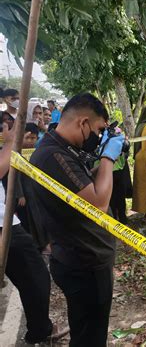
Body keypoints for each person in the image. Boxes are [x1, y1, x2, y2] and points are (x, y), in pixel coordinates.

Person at [29, 93, 125, 346]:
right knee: (89, 339)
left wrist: (103, 158)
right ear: (83, 123)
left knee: (88, 333)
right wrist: (107, 158)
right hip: (84, 264)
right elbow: (99, 205)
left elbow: (80, 185)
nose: (99, 136)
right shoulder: (54, 156)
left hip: (82, 258)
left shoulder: (61, 149)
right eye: (99, 130)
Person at [0, 121, 58, 344]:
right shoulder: (9, 145)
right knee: (36, 277)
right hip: (5, 227)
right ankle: (40, 330)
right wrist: (10, 143)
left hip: (8, 222)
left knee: (34, 277)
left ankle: (41, 328)